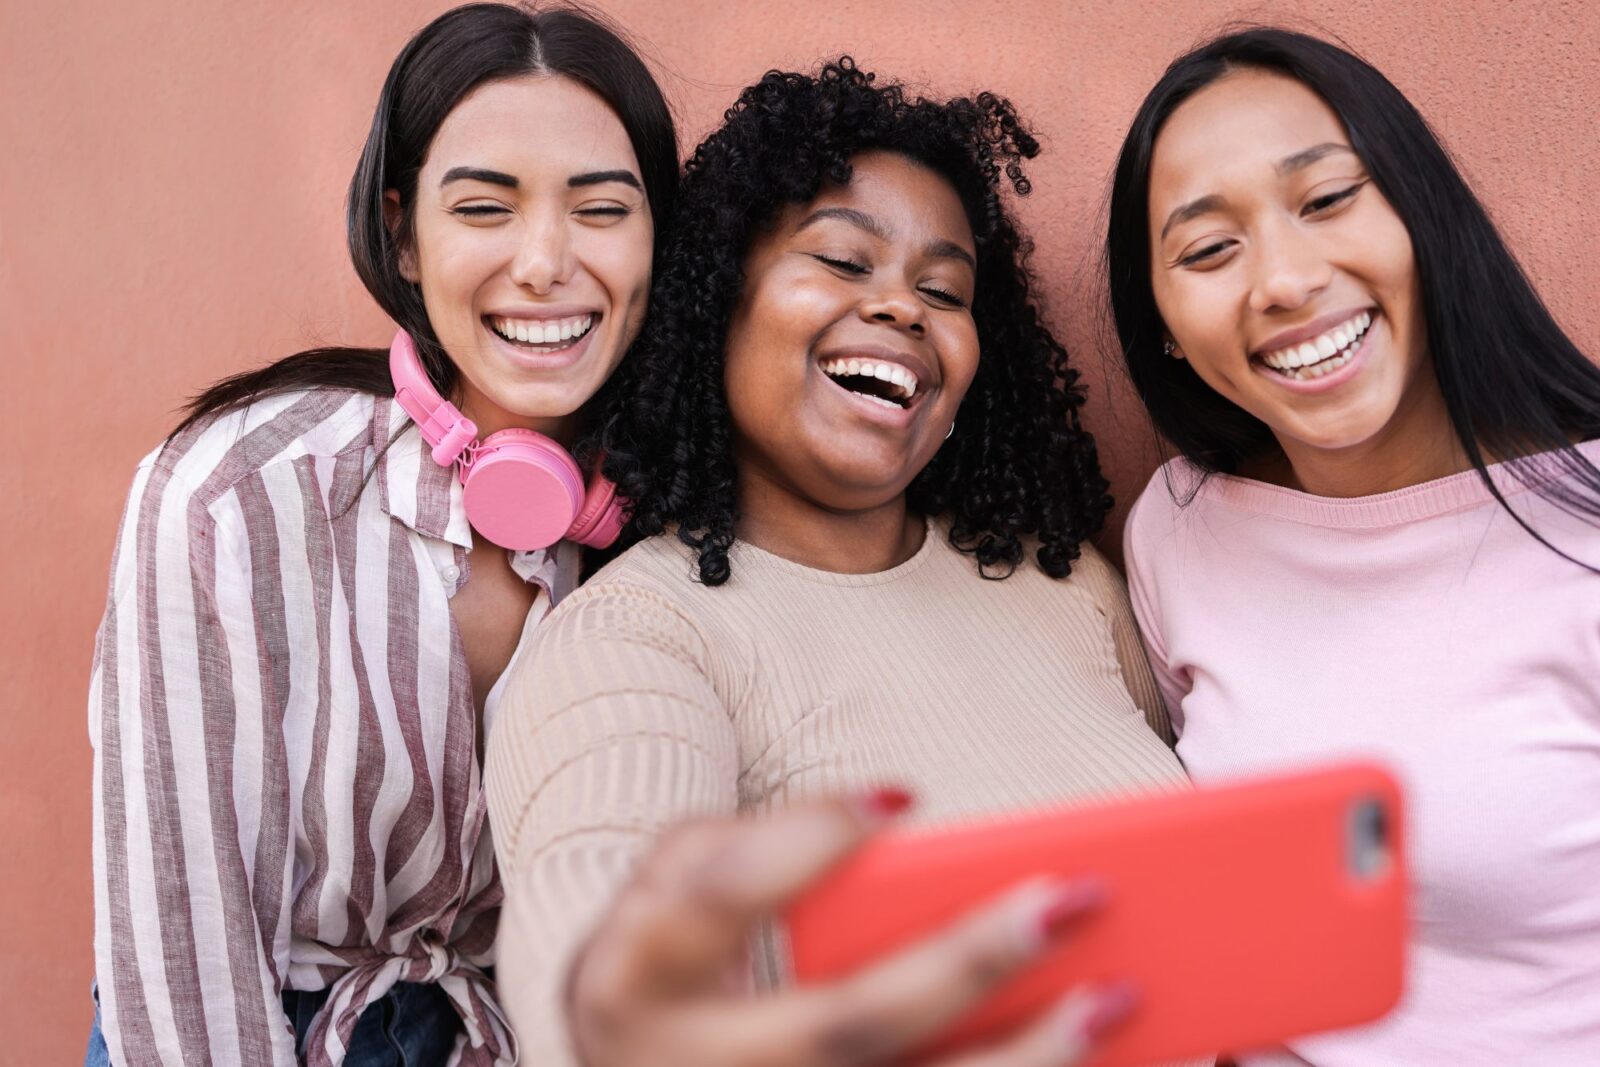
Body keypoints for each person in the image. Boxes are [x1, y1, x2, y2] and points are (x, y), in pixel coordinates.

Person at [485, 60, 1195, 1067]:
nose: (903, 308)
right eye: (845, 262)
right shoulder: (640, 634)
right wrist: (608, 1010)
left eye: (942, 288)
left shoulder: (1060, 581)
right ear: (719, 299)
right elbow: (599, 894)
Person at [85, 5, 676, 1065]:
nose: (545, 262)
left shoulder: (678, 515)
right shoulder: (235, 493)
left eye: (601, 209)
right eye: (484, 207)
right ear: (402, 231)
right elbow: (179, 962)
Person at [1108, 27, 1600, 1065]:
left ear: (1424, 215)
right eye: (1207, 249)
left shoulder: (1584, 524)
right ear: (1160, 322)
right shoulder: (1178, 527)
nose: (1283, 280)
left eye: (1328, 199)